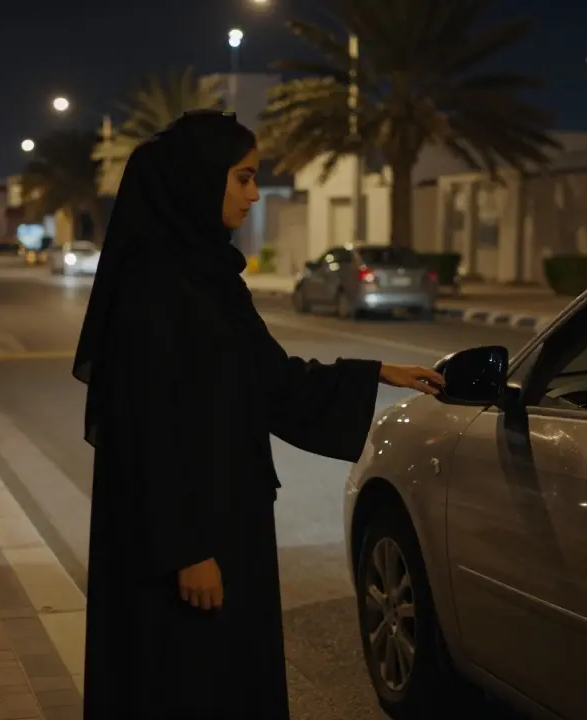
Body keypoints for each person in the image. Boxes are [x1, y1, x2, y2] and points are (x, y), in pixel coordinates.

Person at [71, 110, 446, 718]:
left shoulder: (213, 277)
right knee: (181, 686)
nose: (253, 194)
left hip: (229, 523)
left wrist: (374, 372)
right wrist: (186, 550)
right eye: (243, 178)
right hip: (181, 545)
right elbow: (145, 433)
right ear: (198, 179)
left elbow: (269, 381)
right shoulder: (151, 288)